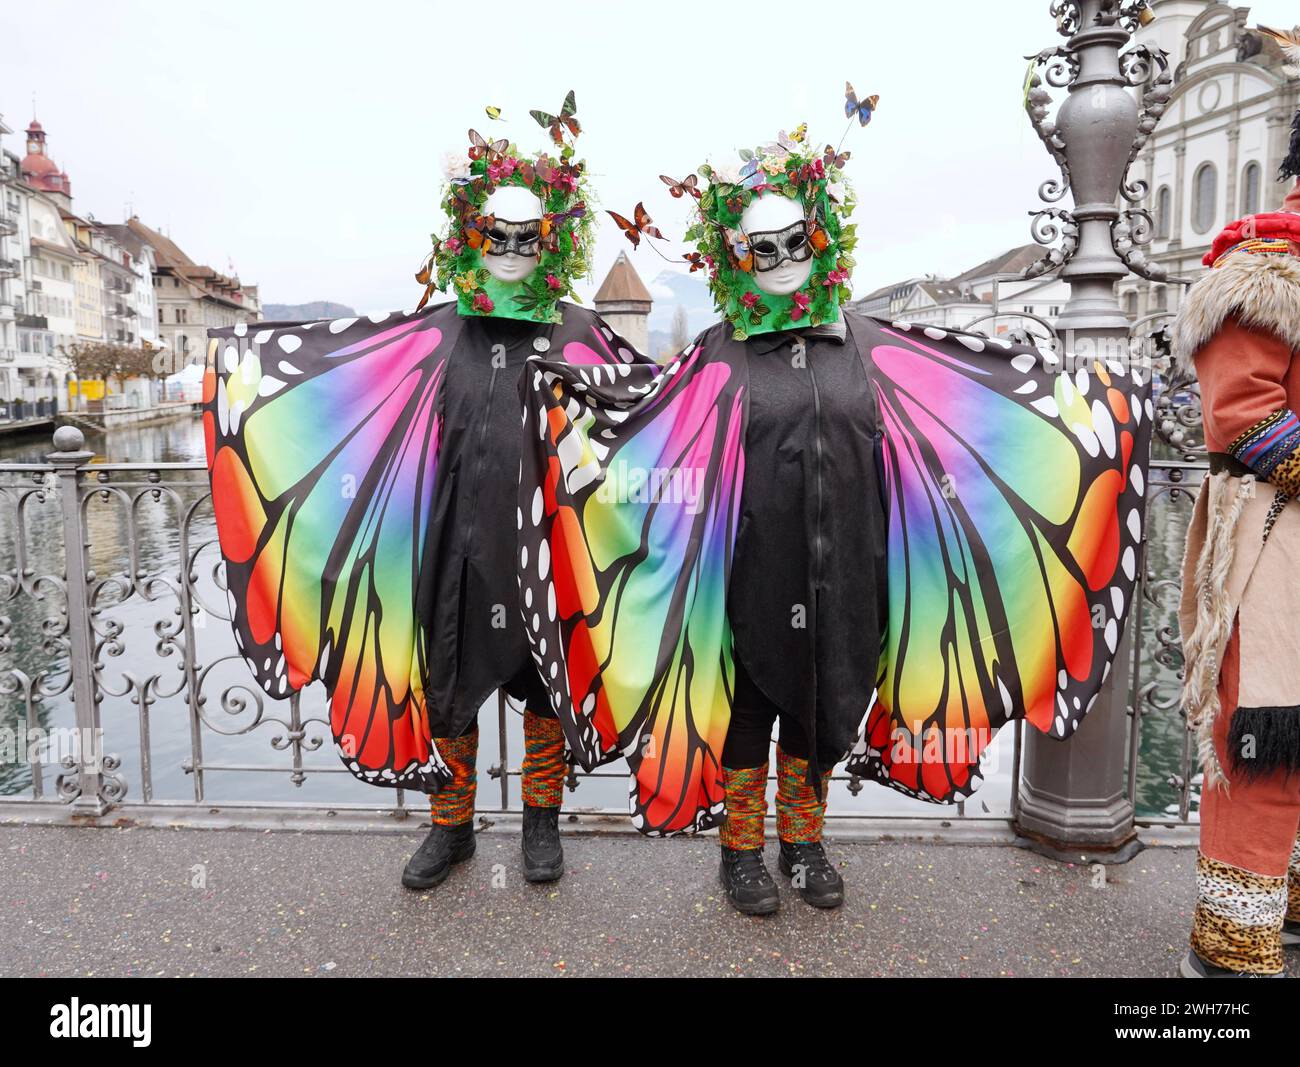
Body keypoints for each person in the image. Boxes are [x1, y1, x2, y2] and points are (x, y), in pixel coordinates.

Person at [515, 105, 1151, 916]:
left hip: (850, 567)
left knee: (823, 707)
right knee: (748, 715)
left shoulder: (869, 345)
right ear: (734, 253)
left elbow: (969, 409)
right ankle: (741, 852)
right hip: (750, 572)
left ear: (822, 238)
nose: (779, 261)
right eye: (760, 247)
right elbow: (647, 429)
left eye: (794, 241)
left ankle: (804, 842)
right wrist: (568, 404)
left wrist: (1100, 410)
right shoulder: (718, 350)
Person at [203, 95, 642, 892]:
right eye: (494, 234)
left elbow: (637, 424)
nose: (510, 249)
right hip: (455, 546)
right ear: (470, 234)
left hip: (547, 554)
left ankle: (542, 822)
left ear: (553, 240)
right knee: (450, 690)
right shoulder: (440, 330)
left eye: (527, 236)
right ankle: (453, 827)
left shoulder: (580, 332)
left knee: (546, 691)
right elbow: (352, 387)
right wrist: (245, 383)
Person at [1172, 161, 1300, 977]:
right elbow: (1247, 419)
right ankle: (1230, 950)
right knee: (1265, 741)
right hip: (1274, 550)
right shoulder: (1262, 270)